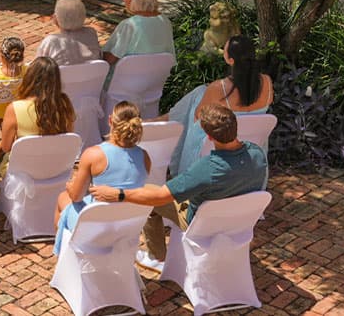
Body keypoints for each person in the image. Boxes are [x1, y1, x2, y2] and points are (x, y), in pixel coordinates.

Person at [91, 103, 269, 263]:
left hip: (202, 224)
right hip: (238, 222)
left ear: (209, 137)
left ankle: (156, 256)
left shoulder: (207, 168)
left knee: (148, 197)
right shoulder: (257, 153)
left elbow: (160, 197)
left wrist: (120, 194)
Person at [164, 35, 272, 177]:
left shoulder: (218, 88)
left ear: (231, 60)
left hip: (219, 143)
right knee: (200, 92)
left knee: (196, 103)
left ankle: (181, 168)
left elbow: (198, 116)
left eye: (224, 50)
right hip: (251, 145)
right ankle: (167, 118)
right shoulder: (267, 82)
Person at [54, 102, 150, 242]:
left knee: (63, 197)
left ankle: (64, 255)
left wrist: (70, 185)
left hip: (96, 227)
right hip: (127, 226)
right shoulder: (145, 157)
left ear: (110, 121)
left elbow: (76, 197)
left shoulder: (93, 154)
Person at [103, 0, 175, 61]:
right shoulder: (165, 21)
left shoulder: (129, 25)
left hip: (129, 73)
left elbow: (111, 59)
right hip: (159, 73)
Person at [34, 0, 101, 66]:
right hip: (91, 76)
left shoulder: (51, 41)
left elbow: (38, 67)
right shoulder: (91, 33)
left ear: (56, 19)